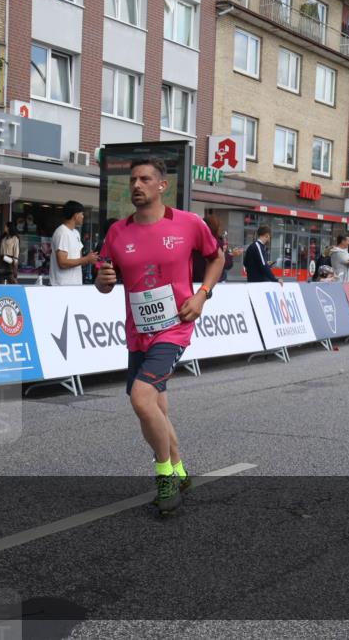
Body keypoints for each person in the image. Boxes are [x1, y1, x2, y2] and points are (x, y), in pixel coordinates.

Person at [96, 157, 225, 515]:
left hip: (175, 326)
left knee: (141, 398)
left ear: (161, 185)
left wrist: (202, 295)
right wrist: (102, 281)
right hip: (138, 332)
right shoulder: (117, 232)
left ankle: (164, 475)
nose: (137, 185)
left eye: (145, 179)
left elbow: (217, 258)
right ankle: (181, 467)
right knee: (155, 406)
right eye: (133, 180)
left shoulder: (188, 224)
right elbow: (104, 277)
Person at [50, 201, 98, 286]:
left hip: (75, 284)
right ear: (76, 215)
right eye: (82, 214)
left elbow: (79, 260)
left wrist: (89, 259)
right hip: (62, 285)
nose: (83, 217)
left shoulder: (76, 233)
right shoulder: (62, 232)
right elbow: (62, 263)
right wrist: (86, 259)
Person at [192, 214, 239, 283]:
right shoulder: (217, 243)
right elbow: (226, 264)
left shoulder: (194, 242)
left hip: (196, 281)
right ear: (216, 228)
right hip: (214, 282)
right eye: (219, 226)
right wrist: (231, 255)